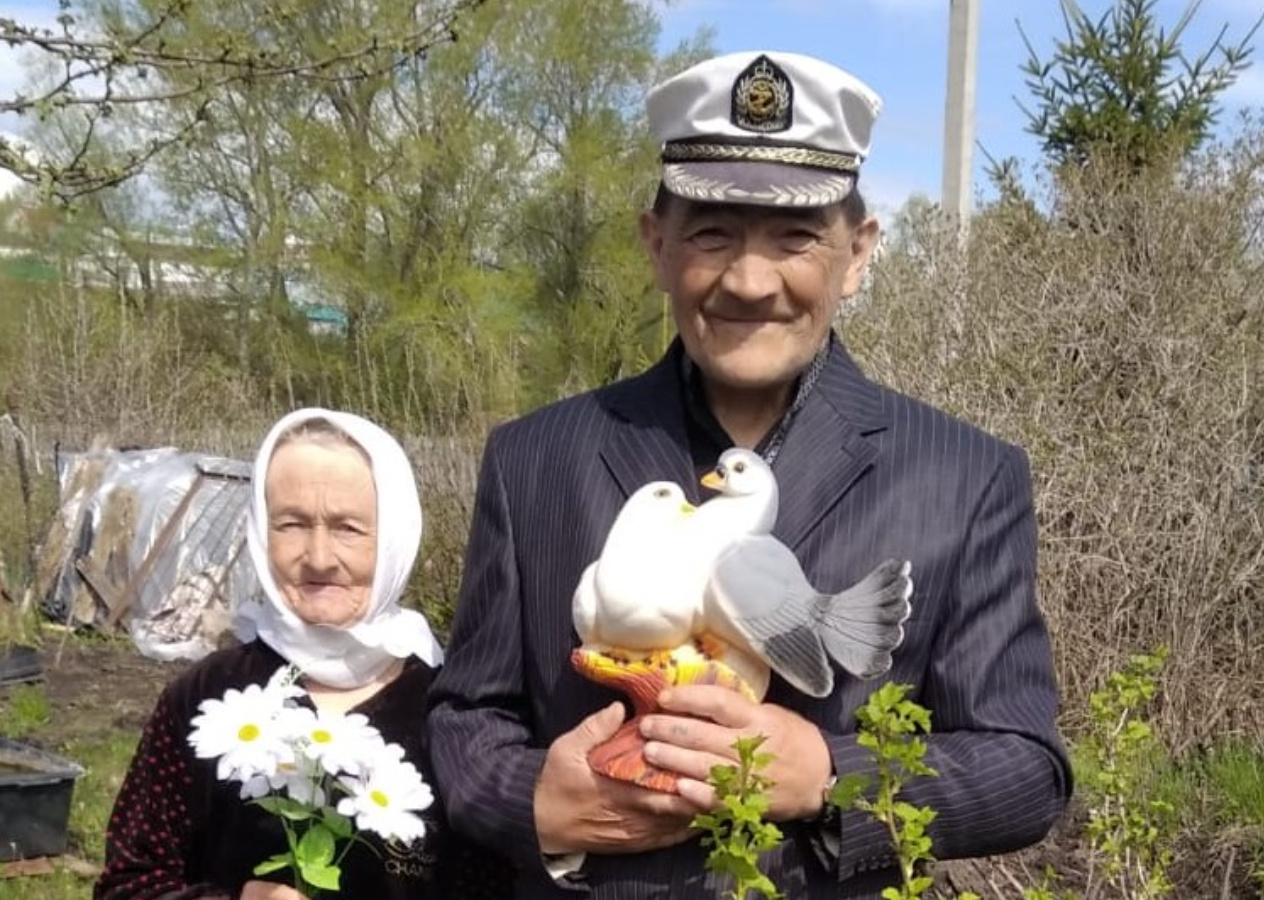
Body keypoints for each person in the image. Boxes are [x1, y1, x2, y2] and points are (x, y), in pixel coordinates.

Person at [428, 50, 1071, 898]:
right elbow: (467, 717)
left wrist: (829, 775)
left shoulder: (965, 478)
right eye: (712, 234)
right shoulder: (535, 460)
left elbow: (1025, 768)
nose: (750, 281)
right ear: (657, 245)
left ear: (858, 253)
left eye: (795, 237)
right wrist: (534, 802)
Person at [96, 408, 509, 900]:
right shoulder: (205, 698)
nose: (318, 557)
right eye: (291, 524)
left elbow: (498, 885)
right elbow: (128, 883)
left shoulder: (454, 709)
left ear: (395, 538)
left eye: (348, 528)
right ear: (260, 530)